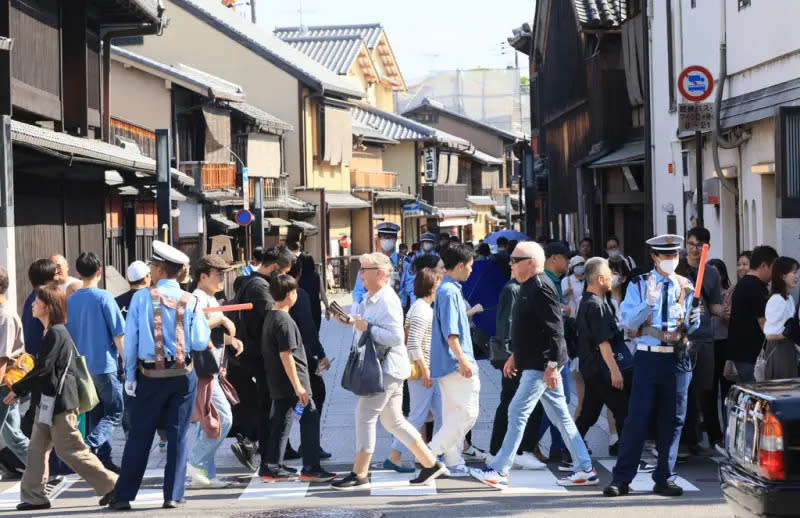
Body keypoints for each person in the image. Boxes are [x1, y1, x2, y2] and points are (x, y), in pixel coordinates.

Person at [472, 242, 597, 490]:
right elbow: (529, 330)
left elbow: (555, 331)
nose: (511, 263)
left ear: (531, 262)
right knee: (560, 416)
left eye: (515, 259)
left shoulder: (540, 287)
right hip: (535, 362)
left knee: (517, 410)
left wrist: (552, 365)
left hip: (540, 365)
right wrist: (515, 355)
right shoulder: (527, 286)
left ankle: (499, 468)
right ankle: (584, 467)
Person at [331, 253, 446, 490]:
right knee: (394, 421)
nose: (360, 274)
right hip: (385, 369)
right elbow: (368, 327)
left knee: (365, 417)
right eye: (360, 269)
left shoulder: (387, 300)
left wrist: (367, 328)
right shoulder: (370, 297)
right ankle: (430, 463)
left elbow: (395, 336)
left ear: (380, 274)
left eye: (364, 270)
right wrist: (352, 322)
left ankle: (359, 473)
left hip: (386, 369)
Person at [110, 241, 212, 510]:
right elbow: (201, 342)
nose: (151, 270)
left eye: (153, 266)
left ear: (160, 269)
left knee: (140, 435)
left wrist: (129, 375)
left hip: (149, 374)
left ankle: (124, 496)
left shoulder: (141, 298)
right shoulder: (191, 300)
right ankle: (173, 495)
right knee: (178, 435)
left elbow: (130, 341)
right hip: (182, 375)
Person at [603, 234, 702, 498]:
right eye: (665, 256)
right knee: (637, 418)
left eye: (674, 256)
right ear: (655, 257)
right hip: (648, 356)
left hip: (677, 358)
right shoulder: (639, 284)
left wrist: (695, 319)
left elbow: (690, 327)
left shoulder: (686, 285)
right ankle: (622, 479)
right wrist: (648, 303)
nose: (671, 260)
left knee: (674, 419)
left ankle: (665, 477)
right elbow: (629, 323)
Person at [7, 285, 117, 511]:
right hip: (47, 403)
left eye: (36, 302)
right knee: (36, 450)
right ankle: (34, 496)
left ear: (46, 307)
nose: (32, 305)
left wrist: (18, 388)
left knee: (70, 450)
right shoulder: (51, 332)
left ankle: (113, 485)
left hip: (59, 405)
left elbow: (44, 369)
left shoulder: (57, 332)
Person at [260, 272, 335, 483]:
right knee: (310, 416)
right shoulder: (284, 321)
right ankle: (311, 467)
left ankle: (271, 465)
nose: (296, 295)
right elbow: (287, 355)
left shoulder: (271, 316)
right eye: (294, 291)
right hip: (293, 381)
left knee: (280, 421)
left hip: (278, 380)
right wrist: (299, 386)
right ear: (289, 294)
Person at [227, 246, 296, 472]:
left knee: (266, 408)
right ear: (275, 267)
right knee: (269, 409)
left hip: (253, 357)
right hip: (259, 359)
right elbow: (272, 321)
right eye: (285, 271)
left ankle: (268, 458)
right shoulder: (259, 287)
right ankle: (269, 460)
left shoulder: (251, 282)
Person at [186, 255, 243, 489]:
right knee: (223, 418)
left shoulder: (209, 297)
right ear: (203, 276)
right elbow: (192, 328)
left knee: (208, 422)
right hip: (203, 370)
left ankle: (205, 475)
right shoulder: (197, 298)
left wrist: (231, 340)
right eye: (218, 274)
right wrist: (220, 319)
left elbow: (211, 333)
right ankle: (194, 463)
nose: (222, 278)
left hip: (212, 367)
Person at [65, 252, 125, 473]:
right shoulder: (104, 297)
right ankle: (90, 446)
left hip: (81, 368)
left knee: (95, 413)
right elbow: (119, 336)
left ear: (78, 273)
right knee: (115, 411)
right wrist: (128, 365)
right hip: (104, 365)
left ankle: (103, 459)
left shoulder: (70, 300)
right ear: (99, 272)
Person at [424, 244, 480, 476]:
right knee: (468, 413)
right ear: (459, 266)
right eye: (469, 266)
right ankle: (429, 453)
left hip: (449, 363)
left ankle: (453, 460)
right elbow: (451, 332)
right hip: (456, 362)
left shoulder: (447, 289)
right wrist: (463, 360)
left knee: (452, 413)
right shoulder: (449, 292)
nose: (470, 271)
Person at [489, 252, 546, 470]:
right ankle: (501, 450)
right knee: (510, 402)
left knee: (527, 404)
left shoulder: (528, 288)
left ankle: (520, 449)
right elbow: (507, 325)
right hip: (516, 357)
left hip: (526, 355)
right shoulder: (512, 289)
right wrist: (511, 356)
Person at [384, 267, 443, 472]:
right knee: (417, 416)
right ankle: (395, 455)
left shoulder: (419, 307)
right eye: (438, 284)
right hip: (421, 371)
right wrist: (425, 371)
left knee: (441, 413)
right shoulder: (422, 310)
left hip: (425, 370)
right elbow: (414, 344)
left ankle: (435, 454)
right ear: (431, 287)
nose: (440, 288)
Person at [574, 258, 631, 454]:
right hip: (602, 369)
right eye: (609, 274)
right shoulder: (596, 305)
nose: (612, 278)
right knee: (623, 411)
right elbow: (603, 342)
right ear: (599, 279)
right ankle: (627, 454)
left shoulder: (588, 302)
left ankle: (571, 449)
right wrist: (615, 371)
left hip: (592, 368)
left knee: (589, 413)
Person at [677, 227, 723, 457]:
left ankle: (696, 438)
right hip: (681, 336)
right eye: (691, 244)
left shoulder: (712, 273)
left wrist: (725, 311)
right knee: (682, 388)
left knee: (703, 389)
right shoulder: (677, 267)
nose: (694, 249)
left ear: (707, 247)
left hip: (705, 337)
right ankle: (684, 440)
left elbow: (715, 305)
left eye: (699, 245)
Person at [288, 260, 332, 459]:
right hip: (301, 355)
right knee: (315, 396)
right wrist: (320, 353)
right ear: (297, 275)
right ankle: (310, 445)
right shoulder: (298, 295)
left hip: (278, 356)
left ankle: (282, 446)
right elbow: (309, 329)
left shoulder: (271, 292)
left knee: (283, 404)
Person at [539, 242, 574, 465]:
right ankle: (533, 440)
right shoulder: (546, 281)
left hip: (559, 348)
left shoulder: (555, 281)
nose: (569, 262)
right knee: (559, 399)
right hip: (552, 351)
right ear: (553, 258)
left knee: (559, 399)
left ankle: (557, 446)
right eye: (566, 258)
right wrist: (565, 308)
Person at [726, 245, 778, 383]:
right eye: (774, 269)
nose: (775, 274)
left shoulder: (745, 284)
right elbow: (764, 323)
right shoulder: (755, 287)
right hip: (750, 356)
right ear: (764, 266)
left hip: (743, 354)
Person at [0, 266, 30, 469]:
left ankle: (42, 469)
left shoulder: (5, 317)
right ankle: (42, 470)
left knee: (12, 435)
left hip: (5, 383)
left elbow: (2, 358)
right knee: (12, 435)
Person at [762, 257, 799, 380]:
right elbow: (769, 335)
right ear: (782, 276)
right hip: (778, 351)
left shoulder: (789, 299)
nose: (797, 276)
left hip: (789, 350)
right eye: (793, 272)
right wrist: (788, 333)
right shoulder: (776, 300)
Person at [707, 257, 731, 445]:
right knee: (709, 390)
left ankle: (729, 432)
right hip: (708, 342)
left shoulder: (728, 293)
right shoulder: (701, 292)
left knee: (727, 389)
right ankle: (714, 433)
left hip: (724, 343)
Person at [353, 222, 401, 305]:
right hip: (374, 308)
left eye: (390, 237)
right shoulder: (370, 262)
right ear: (378, 239)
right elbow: (360, 287)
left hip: (399, 307)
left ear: (396, 239)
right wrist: (357, 302)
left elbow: (410, 289)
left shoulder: (404, 263)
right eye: (384, 237)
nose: (387, 240)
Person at [22, 259, 57, 357]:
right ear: (47, 279)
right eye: (55, 274)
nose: (57, 278)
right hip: (42, 360)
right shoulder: (44, 300)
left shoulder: (31, 298)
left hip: (33, 358)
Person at [298, 253, 330, 332]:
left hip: (301, 308)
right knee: (315, 334)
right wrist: (327, 308)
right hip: (315, 308)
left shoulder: (298, 277)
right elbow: (323, 294)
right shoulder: (316, 276)